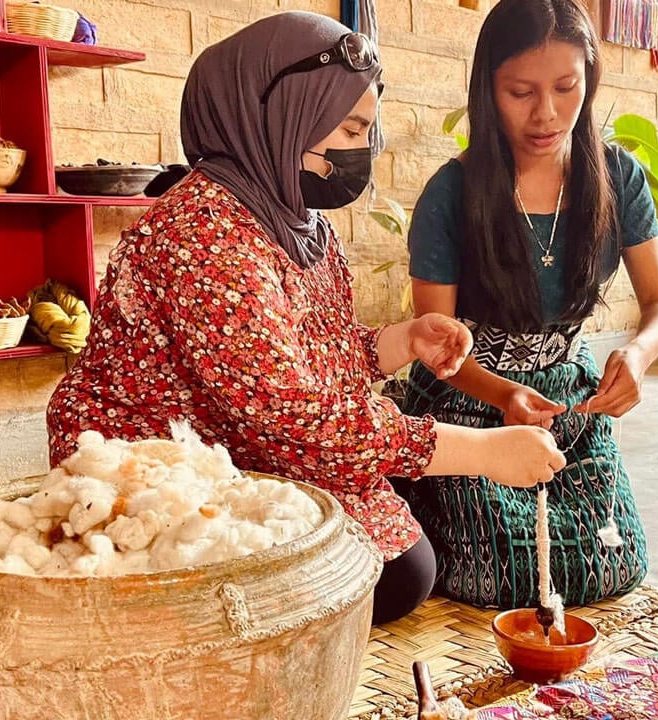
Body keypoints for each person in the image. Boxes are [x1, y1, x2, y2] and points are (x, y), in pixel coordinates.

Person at [45, 11, 567, 625]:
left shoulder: (294, 219)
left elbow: (305, 349)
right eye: (346, 130)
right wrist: (482, 452)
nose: (358, 153)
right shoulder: (203, 234)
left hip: (243, 433)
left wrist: (401, 342)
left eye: (363, 133)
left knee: (399, 554)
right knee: (392, 571)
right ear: (282, 113)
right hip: (157, 473)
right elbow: (291, 413)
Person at [397, 0, 658, 610]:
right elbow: (436, 351)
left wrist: (636, 355)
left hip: (569, 398)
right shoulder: (451, 194)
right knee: (496, 580)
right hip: (469, 396)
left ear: (590, 80)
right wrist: (503, 394)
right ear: (487, 89)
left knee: (608, 564)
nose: (546, 113)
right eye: (521, 91)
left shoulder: (618, 179)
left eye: (566, 87)